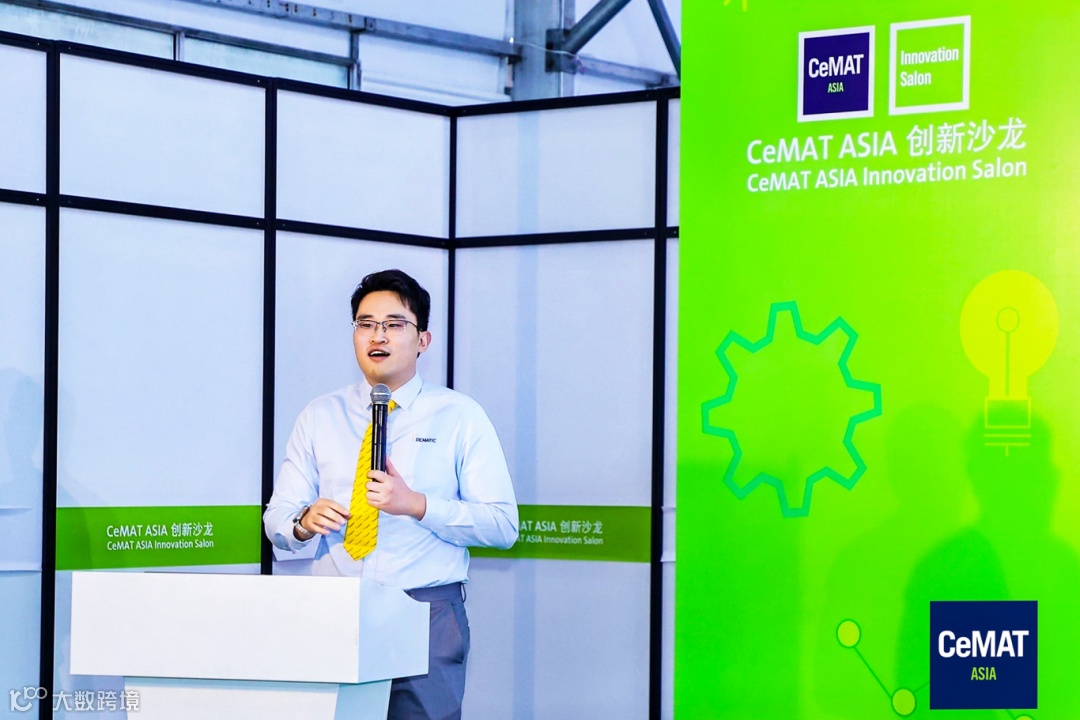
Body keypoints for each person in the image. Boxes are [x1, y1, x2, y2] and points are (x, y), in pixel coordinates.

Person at [264, 269, 519, 720]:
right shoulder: (321, 415)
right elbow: (277, 517)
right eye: (366, 324)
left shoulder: (459, 416)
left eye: (394, 324)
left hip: (426, 611)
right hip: (334, 609)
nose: (377, 336)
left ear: (423, 340)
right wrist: (303, 522)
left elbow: (502, 525)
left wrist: (417, 505)